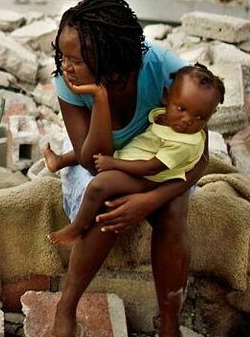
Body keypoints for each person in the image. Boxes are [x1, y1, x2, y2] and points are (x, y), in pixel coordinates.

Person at [43, 0, 207, 337]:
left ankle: (170, 323)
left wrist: (149, 201)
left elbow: (199, 155)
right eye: (62, 55)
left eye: (76, 59)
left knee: (173, 213)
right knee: (105, 200)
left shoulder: (167, 71)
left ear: (110, 58)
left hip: (156, 160)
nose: (66, 66)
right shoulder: (68, 81)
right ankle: (67, 306)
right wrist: (99, 99)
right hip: (102, 159)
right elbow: (91, 162)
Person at [45, 64, 225, 246]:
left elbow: (151, 167)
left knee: (98, 186)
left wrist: (114, 163)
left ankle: (76, 228)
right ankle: (60, 161)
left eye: (200, 117)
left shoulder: (185, 143)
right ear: (166, 97)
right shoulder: (165, 117)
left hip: (149, 177)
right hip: (136, 155)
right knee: (93, 150)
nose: (187, 120)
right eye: (181, 109)